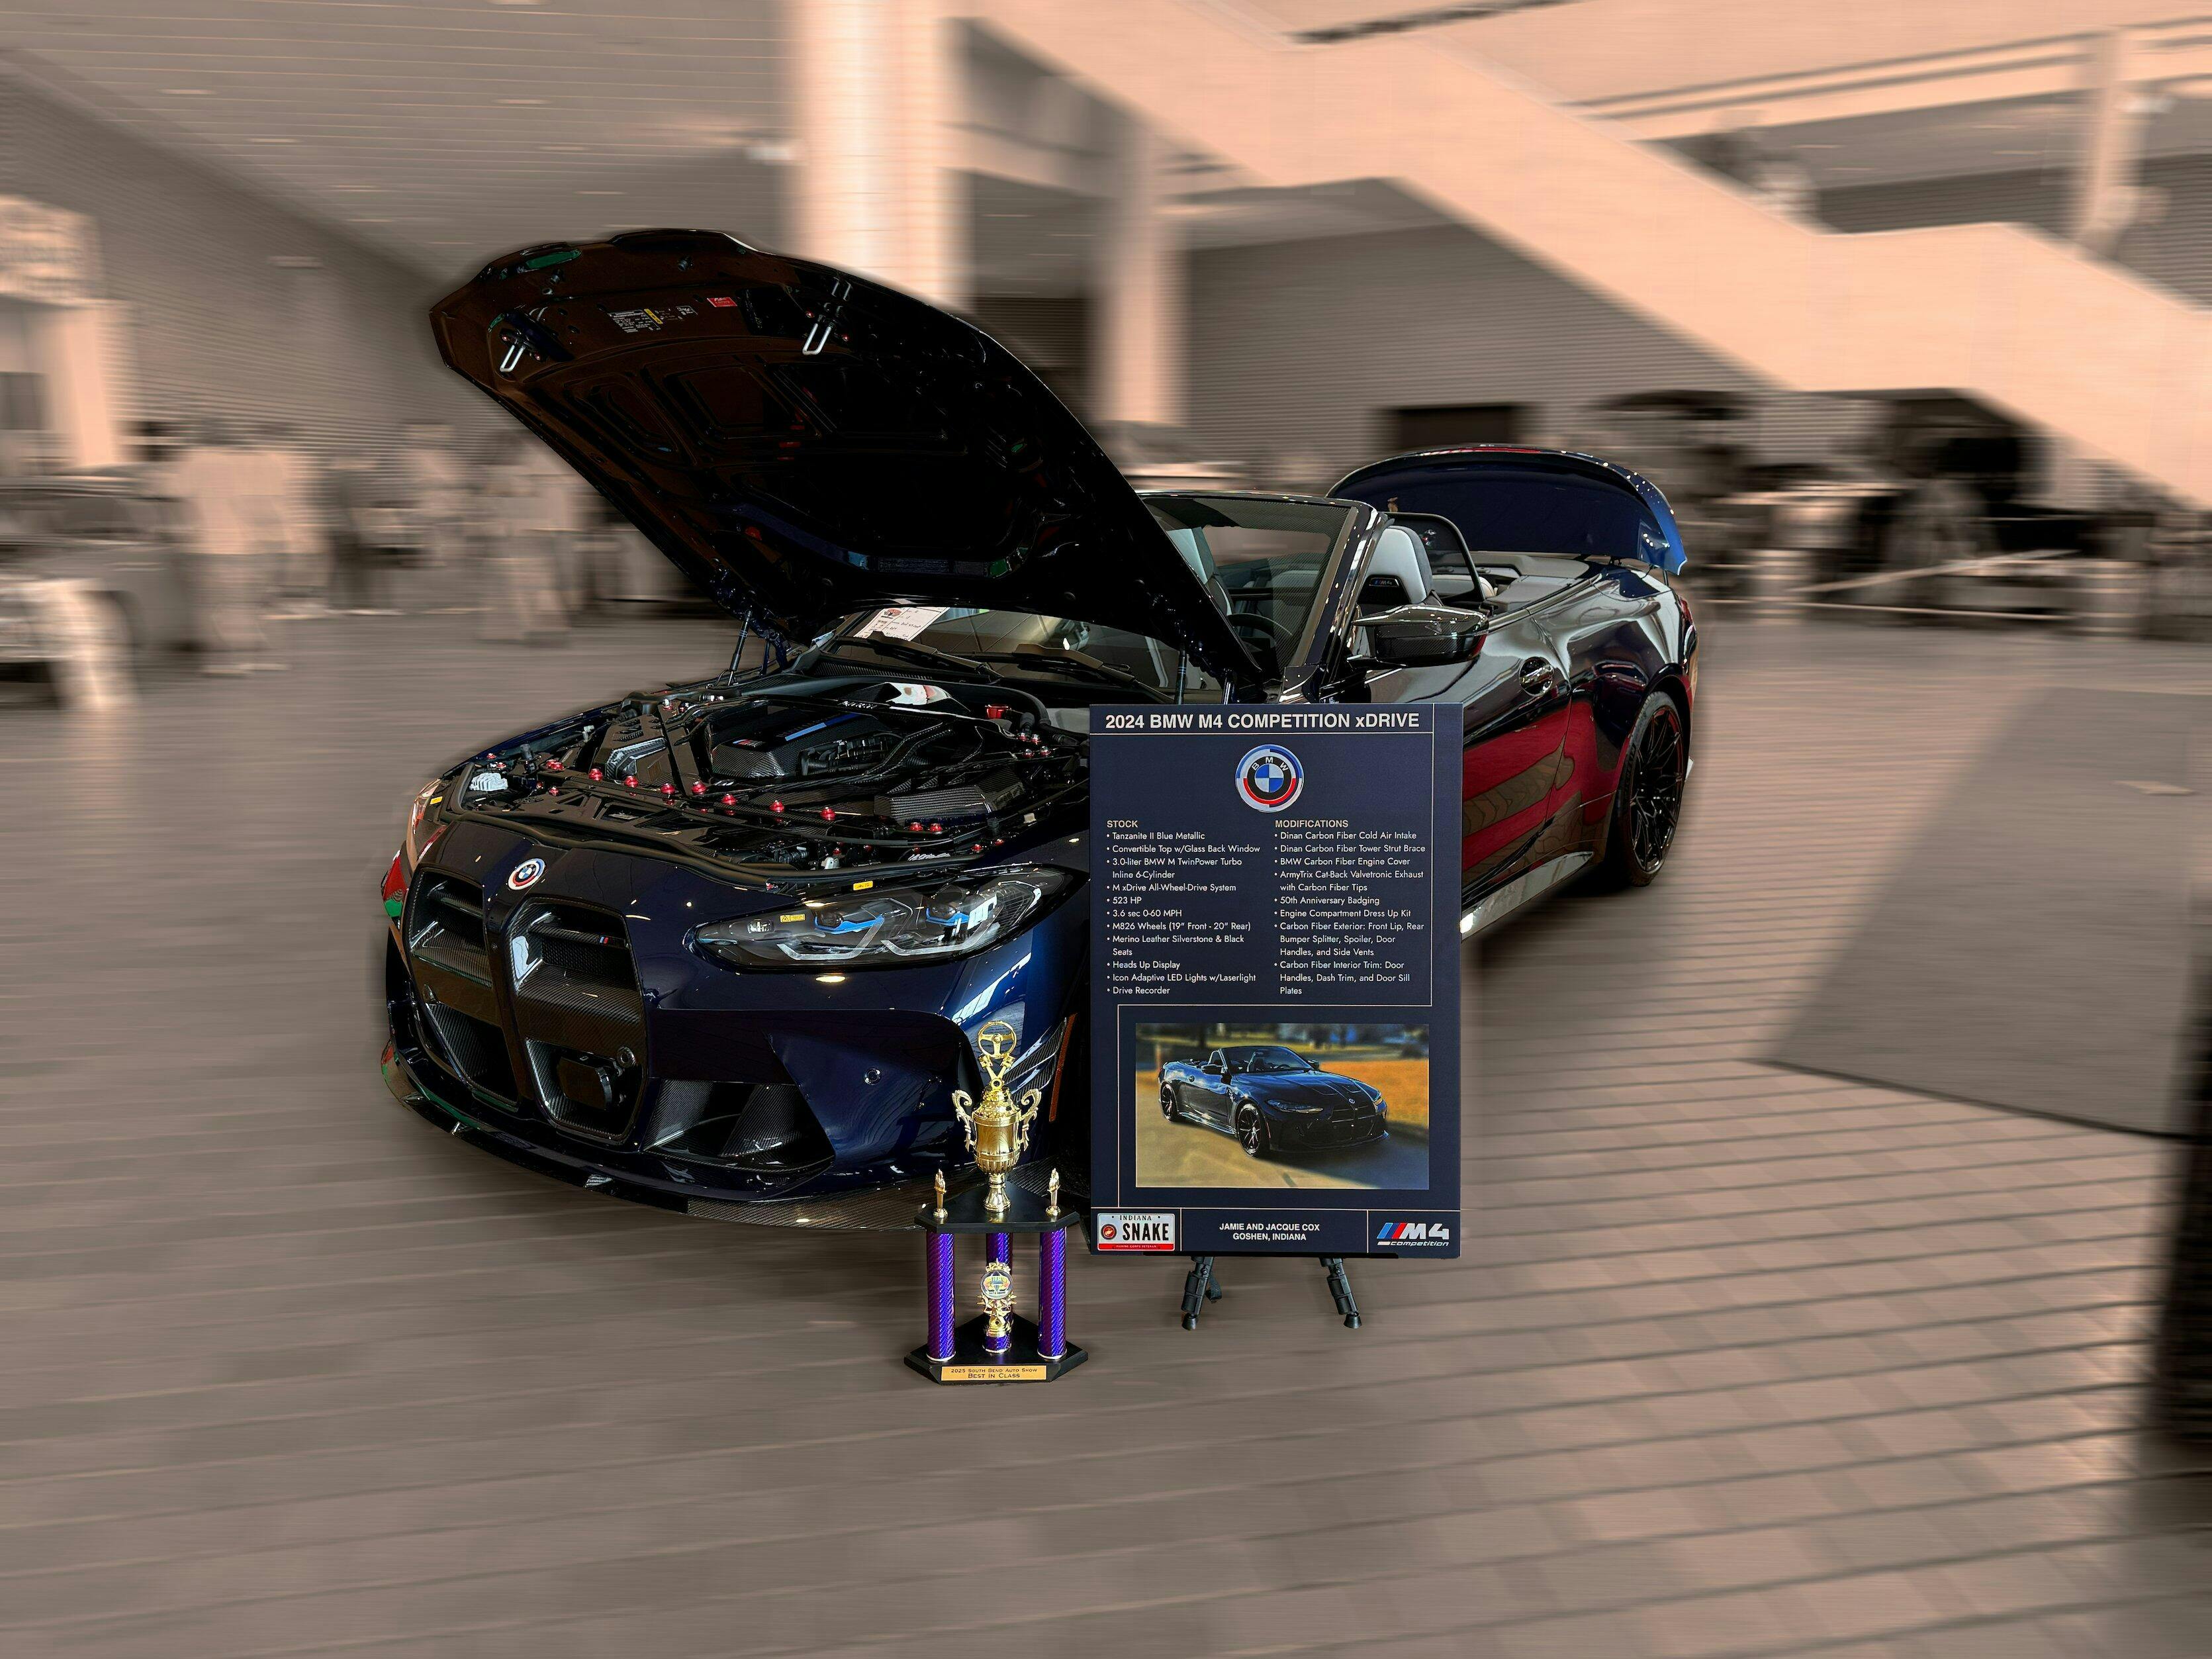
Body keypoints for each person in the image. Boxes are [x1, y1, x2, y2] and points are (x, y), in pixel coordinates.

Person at [171, 418, 283, 675]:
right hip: (241, 545)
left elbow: (177, 497)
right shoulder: (238, 462)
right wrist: (267, 538)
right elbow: (254, 504)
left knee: (210, 607)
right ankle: (252, 659)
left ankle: (222, 662)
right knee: (244, 605)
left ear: (200, 435)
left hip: (207, 546)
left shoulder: (192, 460)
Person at [478, 430, 568, 642]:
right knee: (534, 582)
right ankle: (542, 628)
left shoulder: (503, 473)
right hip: (528, 532)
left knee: (519, 582)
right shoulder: (521, 472)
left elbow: (497, 504)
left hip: (515, 533)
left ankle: (523, 628)